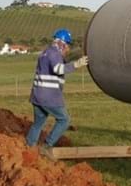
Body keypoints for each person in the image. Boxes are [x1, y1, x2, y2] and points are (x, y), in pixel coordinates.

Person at [25, 28, 89, 159]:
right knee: (64, 120)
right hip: (48, 96)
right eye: (68, 45)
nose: (68, 48)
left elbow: (57, 66)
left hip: (37, 95)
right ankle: (47, 146)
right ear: (62, 43)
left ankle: (28, 147)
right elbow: (58, 69)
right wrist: (77, 64)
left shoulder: (45, 53)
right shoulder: (54, 53)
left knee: (38, 123)